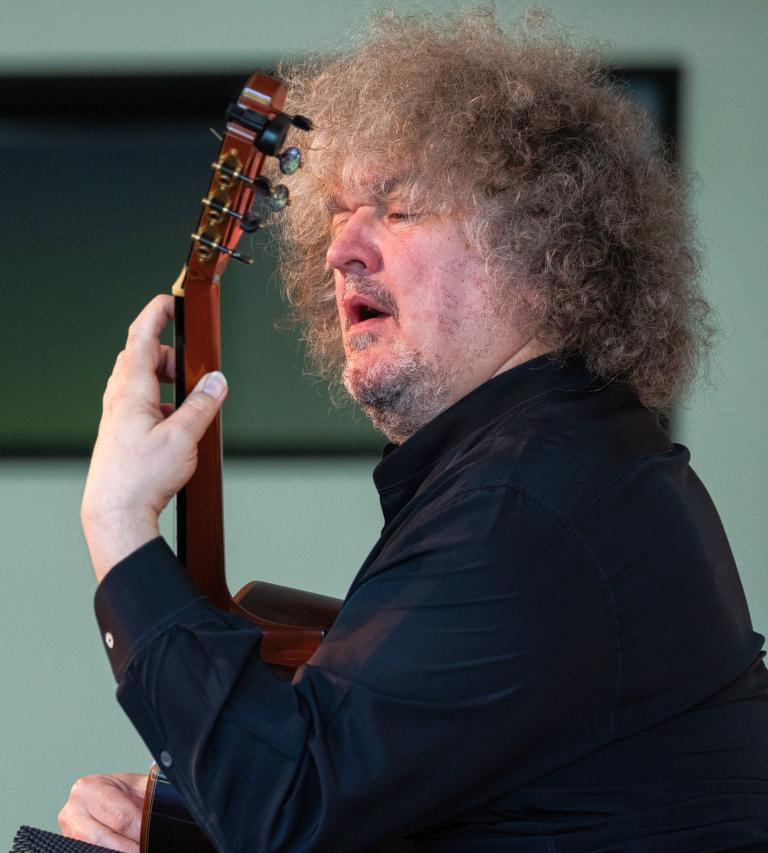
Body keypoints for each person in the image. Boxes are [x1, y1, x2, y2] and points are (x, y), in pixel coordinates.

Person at [60, 9, 768, 852]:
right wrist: (170, 817)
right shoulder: (559, 465)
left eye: (398, 210)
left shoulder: (529, 505)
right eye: (337, 213)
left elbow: (285, 810)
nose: (341, 252)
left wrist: (118, 522)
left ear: (543, 249)